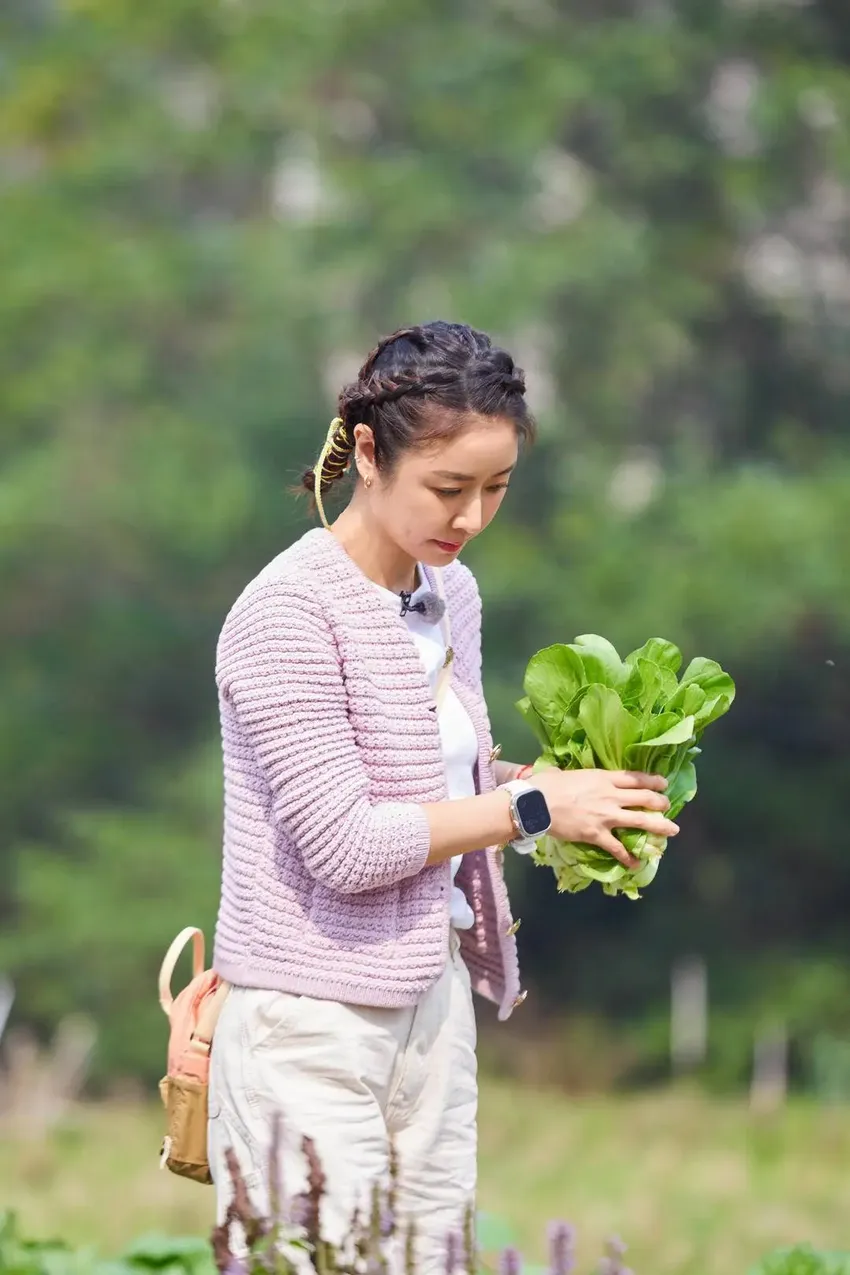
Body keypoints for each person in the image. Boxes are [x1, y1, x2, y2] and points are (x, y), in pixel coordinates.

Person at [207, 321, 678, 1270]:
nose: (469, 518)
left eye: (496, 489)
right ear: (369, 453)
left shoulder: (448, 592)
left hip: (432, 1004)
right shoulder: (284, 614)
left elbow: (438, 785)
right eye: (448, 488)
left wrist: (560, 787)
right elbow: (348, 844)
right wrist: (537, 810)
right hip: (308, 1020)